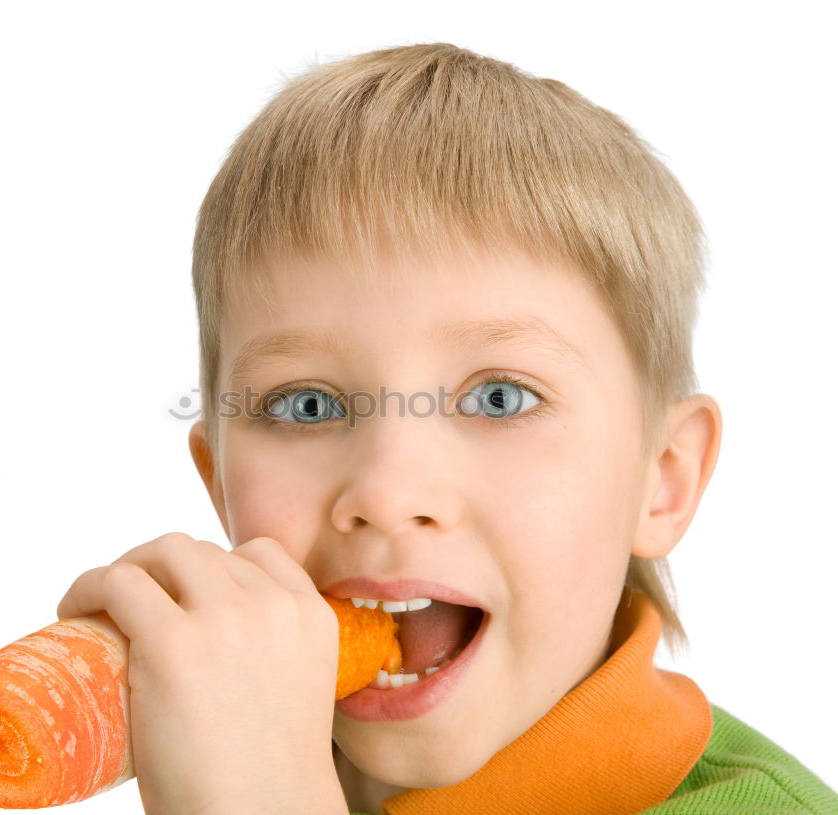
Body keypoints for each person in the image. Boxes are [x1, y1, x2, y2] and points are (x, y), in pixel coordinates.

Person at [56, 42, 838, 814]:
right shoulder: (219, 756)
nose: (387, 492)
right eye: (308, 405)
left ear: (662, 477)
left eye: (499, 397)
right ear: (219, 482)